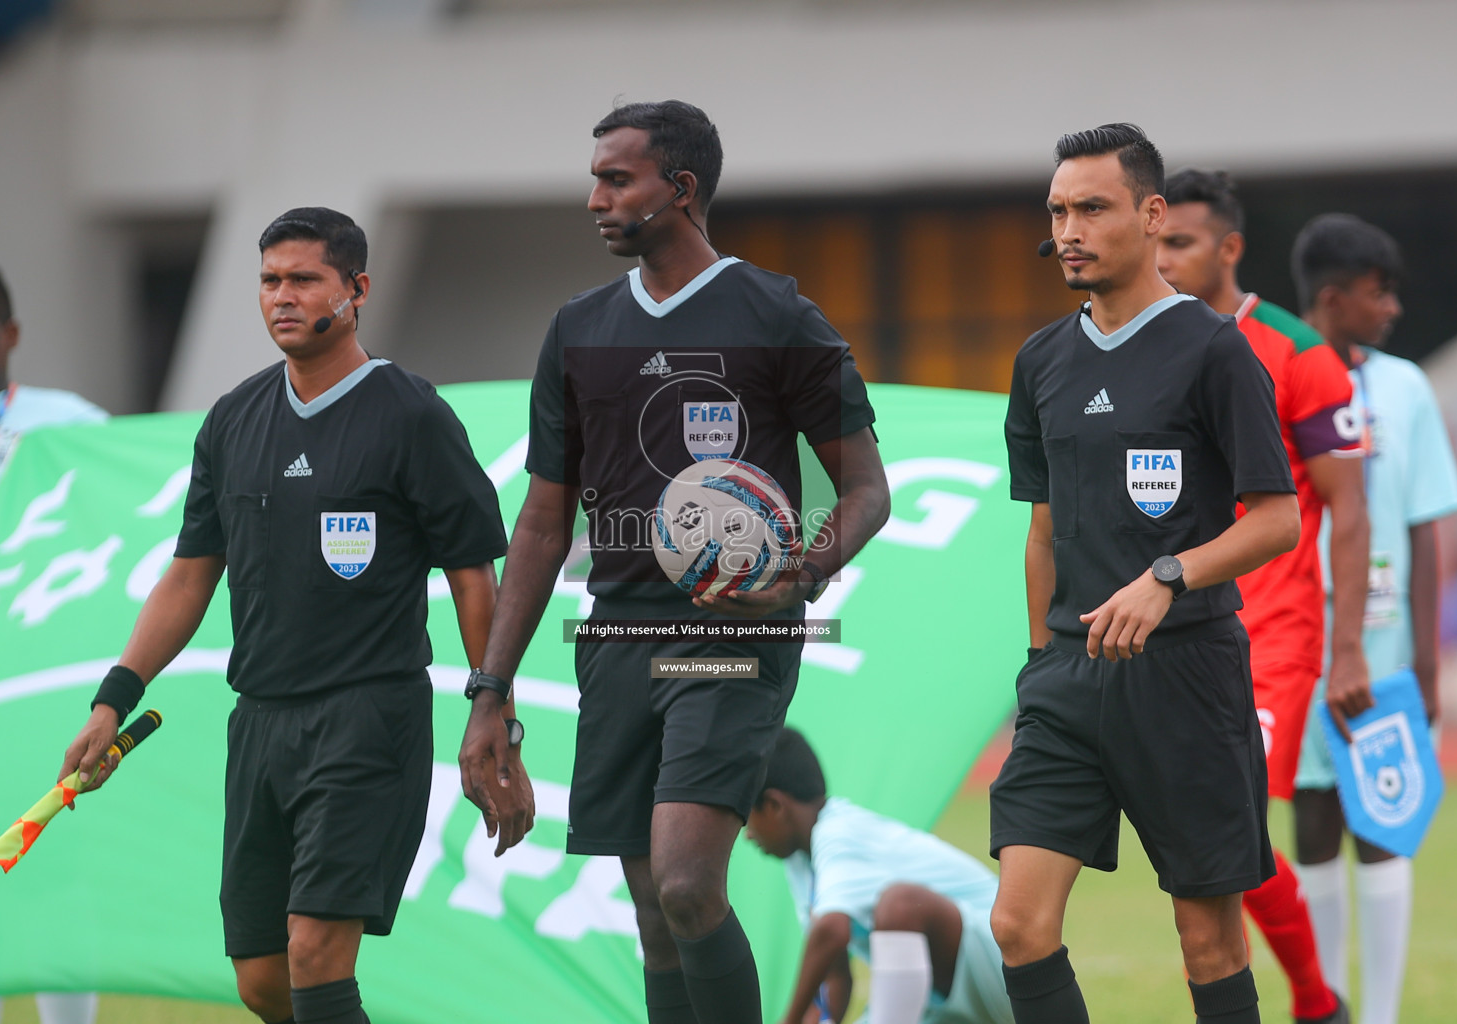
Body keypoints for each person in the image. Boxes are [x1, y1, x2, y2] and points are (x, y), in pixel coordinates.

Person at [457, 100, 890, 1024]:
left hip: (730, 641)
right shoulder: (577, 328)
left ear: (681, 189)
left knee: (691, 884)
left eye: (617, 180)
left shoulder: (776, 313)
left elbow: (865, 491)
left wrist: (800, 578)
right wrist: (489, 689)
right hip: (617, 640)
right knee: (656, 917)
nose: (594, 200)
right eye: (596, 178)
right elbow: (540, 524)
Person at [55, 208, 511, 1024]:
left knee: (314, 953)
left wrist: (493, 712)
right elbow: (190, 576)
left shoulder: (411, 414)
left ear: (357, 289)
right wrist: (112, 698)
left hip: (369, 717)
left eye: (304, 279)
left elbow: (473, 578)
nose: (282, 298)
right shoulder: (232, 419)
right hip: (260, 722)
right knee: (263, 982)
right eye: (269, 281)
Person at [994, 123, 1301, 1024]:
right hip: (1066, 684)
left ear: (1151, 213)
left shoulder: (1214, 350)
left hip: (1189, 680)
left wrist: (1168, 575)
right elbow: (1043, 534)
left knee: (1208, 942)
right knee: (1018, 923)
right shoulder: (1040, 361)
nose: (1070, 230)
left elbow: (1277, 520)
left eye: (1093, 207)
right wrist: (1039, 659)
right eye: (1058, 211)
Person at [1159, 169, 1366, 1024]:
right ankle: (1317, 1004)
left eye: (1181, 242)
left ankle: (1316, 1006)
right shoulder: (1140, 345)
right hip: (1177, 627)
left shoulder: (1296, 352)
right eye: (1158, 240)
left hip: (1276, 631)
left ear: (1229, 247)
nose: (1164, 259)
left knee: (1231, 822)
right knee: (1213, 839)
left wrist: (1347, 646)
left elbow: (1348, 509)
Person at [1289, 214, 1457, 1024]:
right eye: (1378, 291)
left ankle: (1384, 1015)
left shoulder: (1404, 387)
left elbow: (1431, 523)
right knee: (1314, 817)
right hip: (1298, 640)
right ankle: (1329, 1004)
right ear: (1332, 298)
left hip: (1386, 651)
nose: (1392, 306)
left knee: (1384, 817)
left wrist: (1427, 664)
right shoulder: (1272, 375)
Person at [0, 262, 105, 1024]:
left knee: (50, 865)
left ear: (9, 335)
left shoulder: (65, 421)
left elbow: (128, 512)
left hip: (34, 682)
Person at [746, 728, 1013, 1024]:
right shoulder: (799, 862)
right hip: (945, 1000)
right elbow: (835, 978)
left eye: (747, 816)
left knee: (900, 904)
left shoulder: (839, 832)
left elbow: (831, 931)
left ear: (774, 806)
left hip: (1008, 967)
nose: (746, 834)